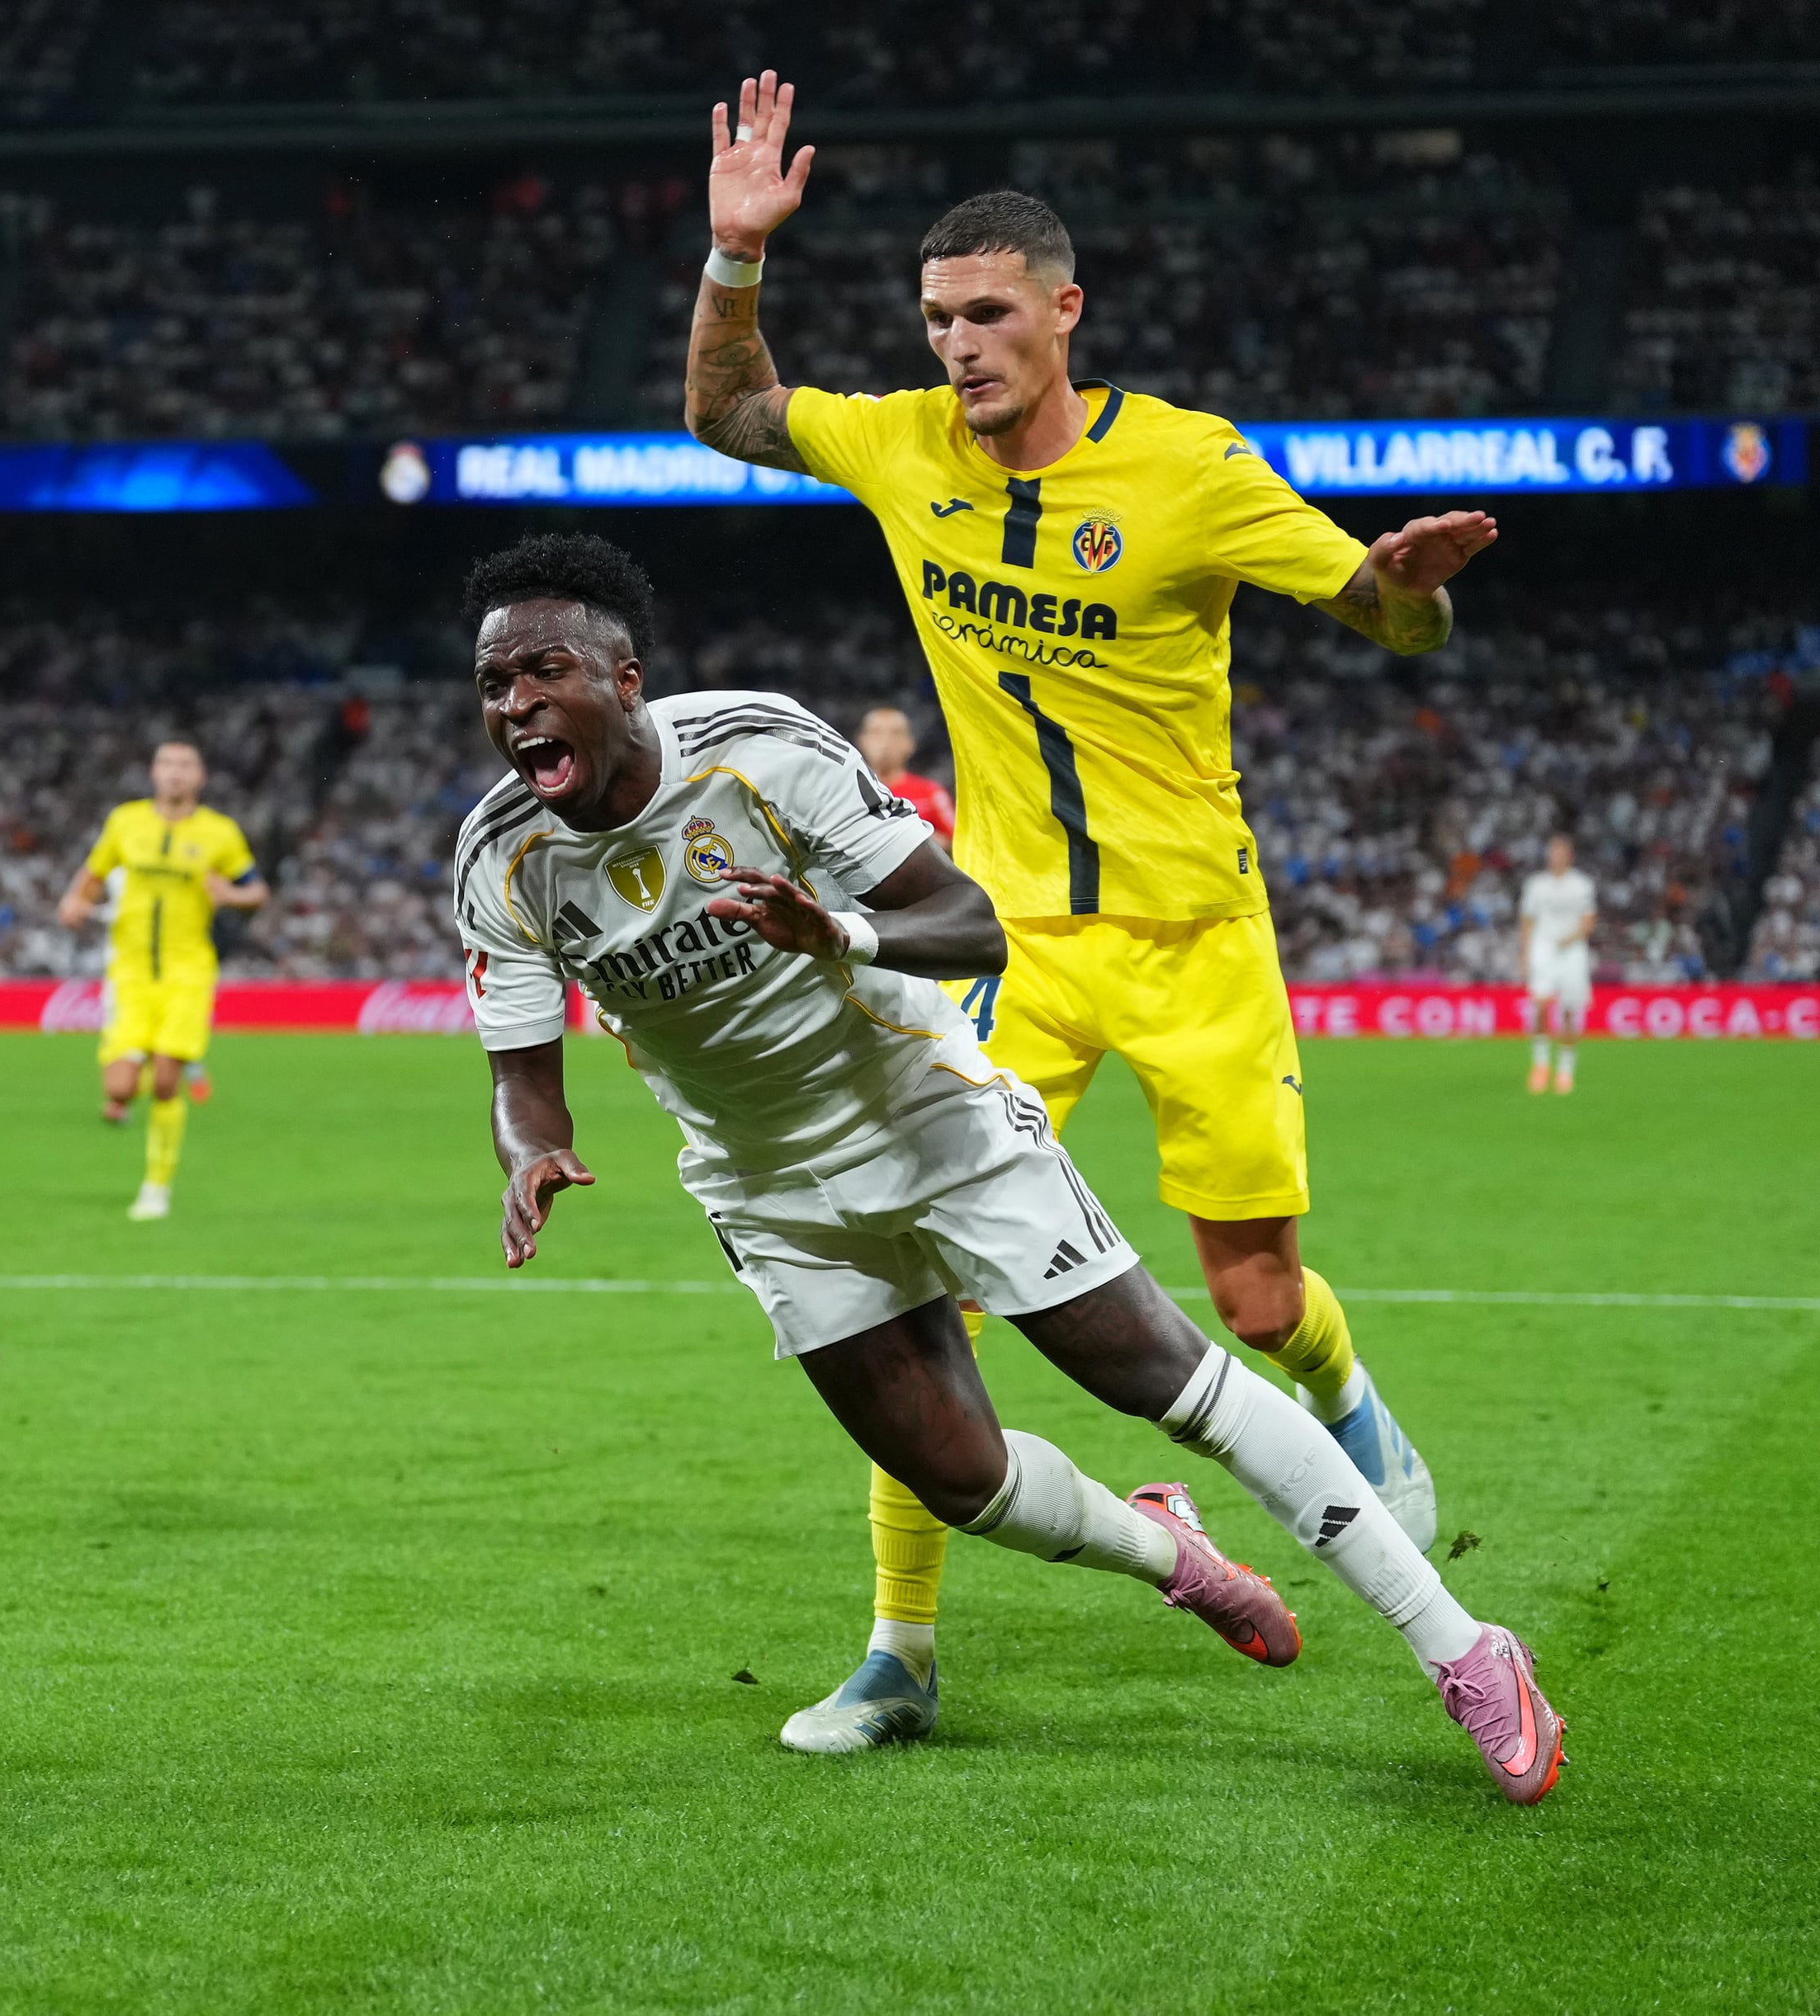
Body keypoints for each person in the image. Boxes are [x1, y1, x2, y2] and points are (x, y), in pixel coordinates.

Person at [451, 532, 1563, 1804]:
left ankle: (1470, 1651)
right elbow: (520, 1080)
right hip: (767, 1191)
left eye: (544, 671)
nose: (515, 705)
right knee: (959, 1477)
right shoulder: (501, 858)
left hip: (935, 1120)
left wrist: (842, 931)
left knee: (1167, 1374)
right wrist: (535, 1156)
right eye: (493, 685)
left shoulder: (763, 752)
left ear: (626, 676)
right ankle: (1174, 1553)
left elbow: (970, 920)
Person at [683, 72, 1491, 1749]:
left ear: (1064, 312)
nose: (959, 345)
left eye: (987, 315)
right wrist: (736, 262)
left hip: (1199, 940)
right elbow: (728, 415)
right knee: (927, 1301)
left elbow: (1378, 616)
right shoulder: (902, 442)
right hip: (1006, 948)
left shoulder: (1191, 471)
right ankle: (902, 1648)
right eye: (935, 318)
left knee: (1256, 1302)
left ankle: (1340, 1393)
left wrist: (1407, 604)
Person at [58, 740, 267, 1221]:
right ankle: (142, 1067)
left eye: (185, 766)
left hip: (188, 969)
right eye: (167, 765)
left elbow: (257, 889)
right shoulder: (125, 823)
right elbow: (93, 875)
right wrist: (73, 902)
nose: (176, 774)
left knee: (169, 1081)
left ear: (200, 777)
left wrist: (230, 896)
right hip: (130, 971)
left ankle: (156, 1186)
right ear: (153, 773)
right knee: (120, 1089)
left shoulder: (219, 833)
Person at [1519, 835, 1596, 1093]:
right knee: (1540, 1004)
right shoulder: (1536, 885)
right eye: (1553, 852)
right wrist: (1525, 954)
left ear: (1569, 855)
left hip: (1572, 950)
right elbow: (1528, 921)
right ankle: (1540, 1065)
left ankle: (1565, 1070)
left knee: (1569, 1011)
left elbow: (1588, 919)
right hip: (1544, 947)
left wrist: (1571, 939)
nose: (1556, 857)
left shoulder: (1581, 884)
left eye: (1561, 852)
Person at [855, 704, 955, 847]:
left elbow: (956, 840)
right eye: (876, 732)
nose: (885, 741)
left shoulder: (931, 794)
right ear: (862, 741)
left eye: (895, 733)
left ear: (910, 744)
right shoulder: (848, 794)